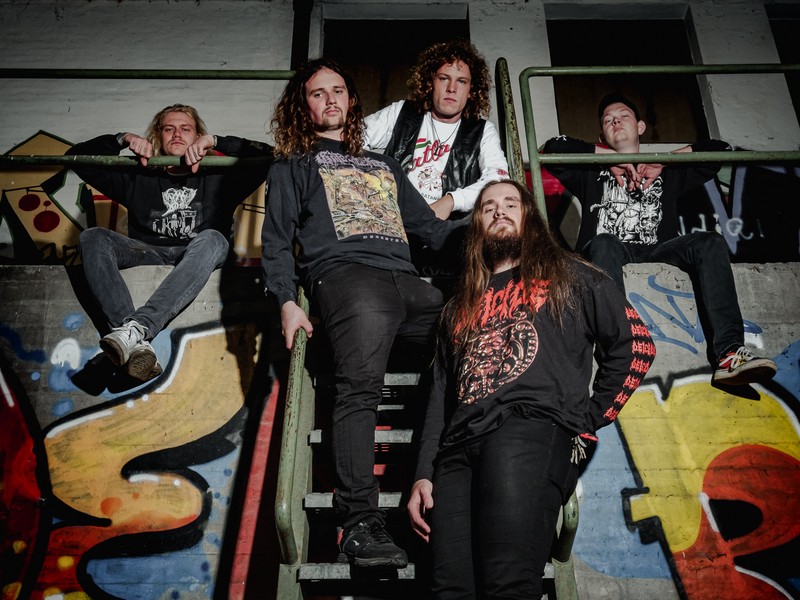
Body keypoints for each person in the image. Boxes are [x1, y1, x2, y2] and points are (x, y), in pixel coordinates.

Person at [407, 179, 655, 598]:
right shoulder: (457, 305)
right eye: (488, 207)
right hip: (455, 453)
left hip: (529, 431)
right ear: (476, 225)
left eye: (511, 204)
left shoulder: (570, 274)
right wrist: (422, 475)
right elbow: (439, 397)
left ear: (530, 219)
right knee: (448, 589)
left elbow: (636, 346)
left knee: (508, 583)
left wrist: (587, 419)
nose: (499, 211)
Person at [261, 58, 461, 569]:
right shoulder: (292, 165)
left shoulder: (384, 165)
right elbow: (277, 242)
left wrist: (495, 225)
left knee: (465, 356)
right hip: (347, 278)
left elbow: (431, 230)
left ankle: (449, 494)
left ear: (351, 101)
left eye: (338, 90)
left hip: (410, 284)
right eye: (317, 93)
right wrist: (286, 301)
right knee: (359, 389)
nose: (330, 99)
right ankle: (359, 525)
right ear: (303, 107)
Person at [542, 92, 777, 386]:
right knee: (604, 241)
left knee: (709, 241)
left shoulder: (667, 172)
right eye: (608, 120)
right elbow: (553, 147)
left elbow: (721, 149)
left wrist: (665, 161)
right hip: (608, 251)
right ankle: (618, 349)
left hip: (658, 250)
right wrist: (609, 158)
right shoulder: (589, 171)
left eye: (624, 116)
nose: (616, 122)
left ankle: (729, 353)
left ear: (640, 127)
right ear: (602, 135)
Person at [67, 104, 273, 381]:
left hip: (199, 252)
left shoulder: (220, 176)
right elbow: (75, 157)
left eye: (186, 129)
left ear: (197, 136)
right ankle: (135, 340)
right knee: (92, 236)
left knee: (213, 238)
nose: (177, 134)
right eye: (169, 129)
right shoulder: (140, 174)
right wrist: (122, 139)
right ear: (158, 135)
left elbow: (270, 155)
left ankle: (137, 328)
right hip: (149, 251)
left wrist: (215, 141)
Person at [364, 39, 509, 220]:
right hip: (394, 220)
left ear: (471, 90)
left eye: (461, 81)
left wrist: (452, 201)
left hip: (449, 228)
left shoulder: (482, 130)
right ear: (430, 82)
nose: (451, 88)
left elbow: (498, 178)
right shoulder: (402, 113)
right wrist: (372, 182)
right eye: (443, 78)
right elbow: (353, 137)